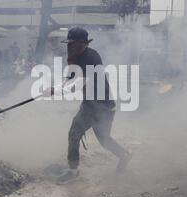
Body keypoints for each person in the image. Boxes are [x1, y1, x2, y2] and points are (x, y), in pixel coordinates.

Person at [55, 27, 132, 185]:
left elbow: (79, 83)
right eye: (68, 44)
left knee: (74, 133)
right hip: (94, 104)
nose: (69, 47)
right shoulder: (76, 56)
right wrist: (56, 88)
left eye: (73, 44)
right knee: (104, 140)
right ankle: (124, 154)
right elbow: (70, 77)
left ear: (83, 44)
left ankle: (73, 171)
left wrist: (57, 91)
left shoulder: (91, 58)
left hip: (100, 106)